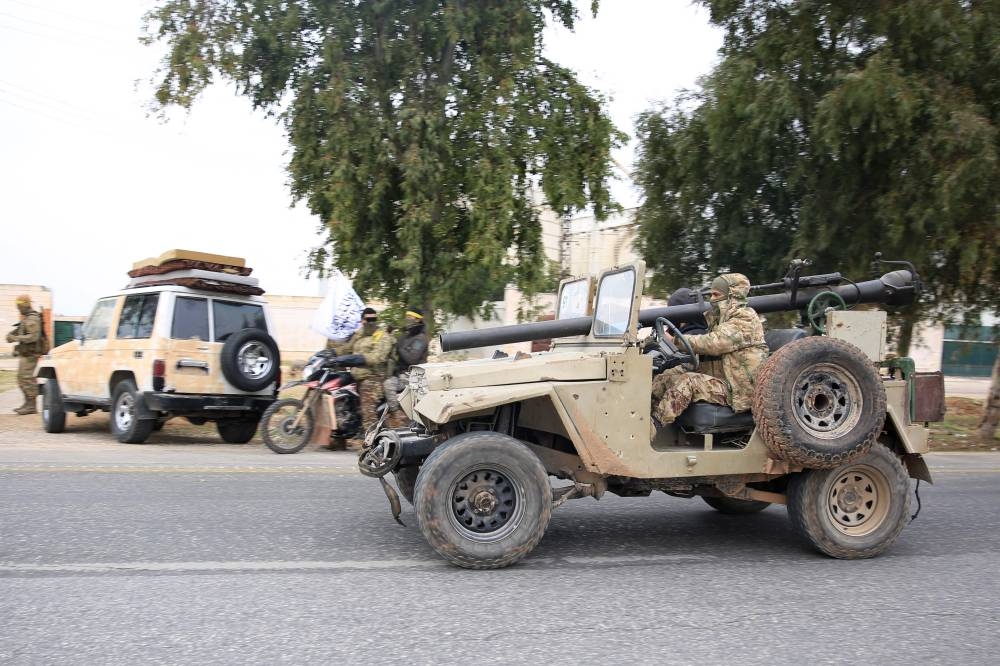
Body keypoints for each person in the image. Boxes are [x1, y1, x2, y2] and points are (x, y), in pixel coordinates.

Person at [651, 274, 769, 432]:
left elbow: (715, 343)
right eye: (711, 294)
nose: (712, 299)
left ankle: (652, 428)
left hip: (740, 391)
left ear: (731, 295)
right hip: (725, 379)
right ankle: (642, 416)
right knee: (665, 377)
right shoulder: (720, 319)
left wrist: (675, 341)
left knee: (688, 382)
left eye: (716, 295)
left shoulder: (745, 318)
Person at [328, 307, 394, 445]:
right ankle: (340, 437)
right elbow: (346, 348)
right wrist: (331, 353)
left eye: (373, 319)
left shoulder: (382, 336)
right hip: (356, 376)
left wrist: (360, 358)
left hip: (373, 378)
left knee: (367, 412)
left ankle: (372, 445)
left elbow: (378, 357)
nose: (371, 322)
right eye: (368, 319)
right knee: (339, 398)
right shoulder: (359, 334)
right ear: (362, 321)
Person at [383, 308, 429, 428]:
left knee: (389, 385)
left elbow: (411, 359)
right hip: (401, 374)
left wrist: (399, 347)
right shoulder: (405, 336)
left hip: (414, 377)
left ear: (419, 320)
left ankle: (398, 417)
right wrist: (388, 335)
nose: (408, 320)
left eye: (411, 318)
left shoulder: (421, 338)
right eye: (407, 317)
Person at [6, 294, 44, 415]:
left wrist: (15, 338)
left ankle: (31, 406)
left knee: (27, 379)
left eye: (19, 306)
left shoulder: (32, 318)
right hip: (25, 353)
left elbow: (33, 337)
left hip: (30, 354)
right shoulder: (27, 318)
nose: (18, 309)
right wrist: (12, 335)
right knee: (21, 378)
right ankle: (27, 403)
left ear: (25, 305)